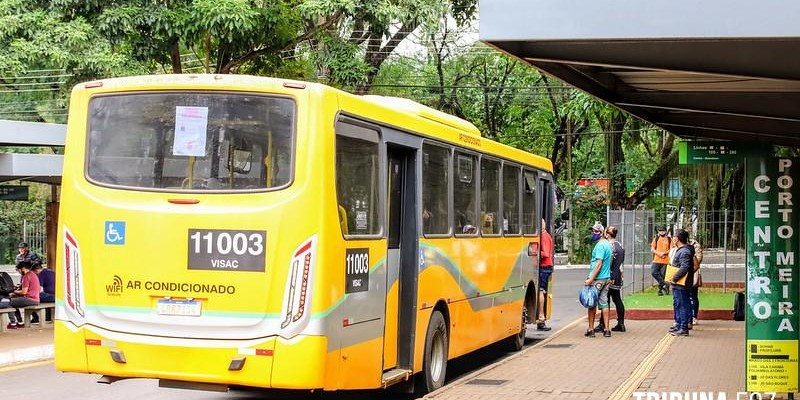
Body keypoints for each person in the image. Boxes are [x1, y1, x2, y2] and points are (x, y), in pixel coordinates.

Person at [594, 226, 626, 333]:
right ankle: (621, 323)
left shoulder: (608, 246)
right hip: (617, 276)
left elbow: (608, 262)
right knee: (617, 299)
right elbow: (621, 263)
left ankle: (602, 323)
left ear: (607, 234)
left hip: (609, 275)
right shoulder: (620, 246)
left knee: (604, 300)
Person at [584, 222, 613, 338]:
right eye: (593, 231)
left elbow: (598, 264)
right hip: (606, 278)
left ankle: (591, 329)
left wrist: (591, 279)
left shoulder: (600, 246)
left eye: (596, 231)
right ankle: (607, 329)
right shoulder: (607, 244)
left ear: (601, 233)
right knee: (604, 303)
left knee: (592, 304)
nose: (593, 233)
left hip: (598, 279)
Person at [667, 229, 694, 336]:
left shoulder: (684, 251)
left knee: (682, 304)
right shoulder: (683, 250)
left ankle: (683, 327)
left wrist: (674, 278)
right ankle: (680, 325)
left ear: (677, 238)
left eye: (674, 236)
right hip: (680, 283)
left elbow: (684, 267)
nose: (673, 238)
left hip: (681, 283)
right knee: (680, 303)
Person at [2, 261, 40, 329]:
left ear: (22, 269)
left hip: (30, 299)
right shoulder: (32, 274)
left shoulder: (26, 276)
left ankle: (13, 323)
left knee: (8, 303)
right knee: (14, 302)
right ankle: (20, 322)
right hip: (35, 299)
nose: (18, 272)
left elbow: (24, 292)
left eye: (18, 270)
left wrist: (14, 291)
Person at [537, 219, 554, 331]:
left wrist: (535, 252)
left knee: (541, 290)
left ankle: (541, 317)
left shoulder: (544, 237)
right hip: (546, 267)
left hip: (544, 267)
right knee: (542, 290)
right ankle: (541, 320)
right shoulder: (546, 235)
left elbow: (546, 253)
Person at [650, 226, 671, 296]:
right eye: (660, 231)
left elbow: (671, 249)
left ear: (665, 231)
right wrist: (659, 253)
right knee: (653, 272)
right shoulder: (656, 239)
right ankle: (665, 284)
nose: (661, 232)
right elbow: (652, 249)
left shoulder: (669, 239)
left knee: (663, 275)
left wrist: (664, 253)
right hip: (656, 260)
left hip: (665, 260)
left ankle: (660, 290)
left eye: (663, 231)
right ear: (658, 232)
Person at [688, 237, 703, 326]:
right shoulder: (676, 245)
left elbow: (699, 258)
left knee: (693, 295)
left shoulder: (695, 245)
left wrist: (687, 262)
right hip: (680, 273)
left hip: (693, 272)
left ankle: (694, 316)